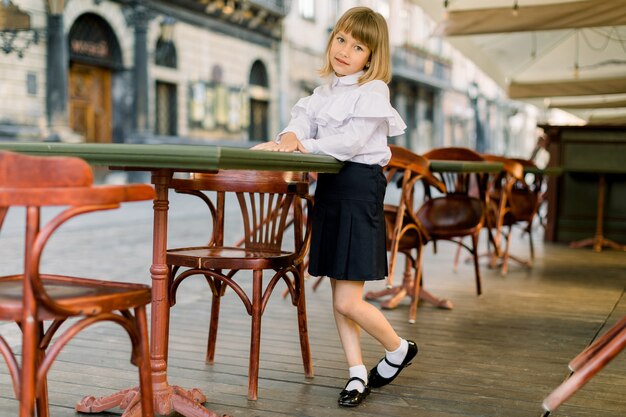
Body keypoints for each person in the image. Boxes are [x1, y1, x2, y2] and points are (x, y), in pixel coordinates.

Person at [252, 6, 417, 407]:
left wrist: (300, 145)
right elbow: (300, 121)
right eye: (341, 39)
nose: (345, 50)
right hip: (329, 192)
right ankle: (357, 373)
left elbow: (349, 144)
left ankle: (398, 349)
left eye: (357, 46)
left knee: (348, 299)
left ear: (371, 57)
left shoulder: (374, 92)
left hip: (359, 191)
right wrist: (289, 137)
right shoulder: (321, 95)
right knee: (338, 293)